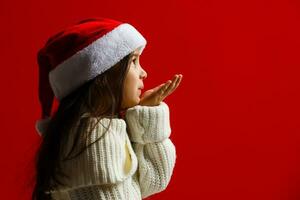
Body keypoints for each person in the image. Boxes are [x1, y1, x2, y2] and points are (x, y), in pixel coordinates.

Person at [32, 17, 183, 200]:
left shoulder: (100, 129)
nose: (144, 72)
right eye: (133, 61)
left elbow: (153, 181)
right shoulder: (91, 138)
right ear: (103, 74)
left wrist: (148, 114)